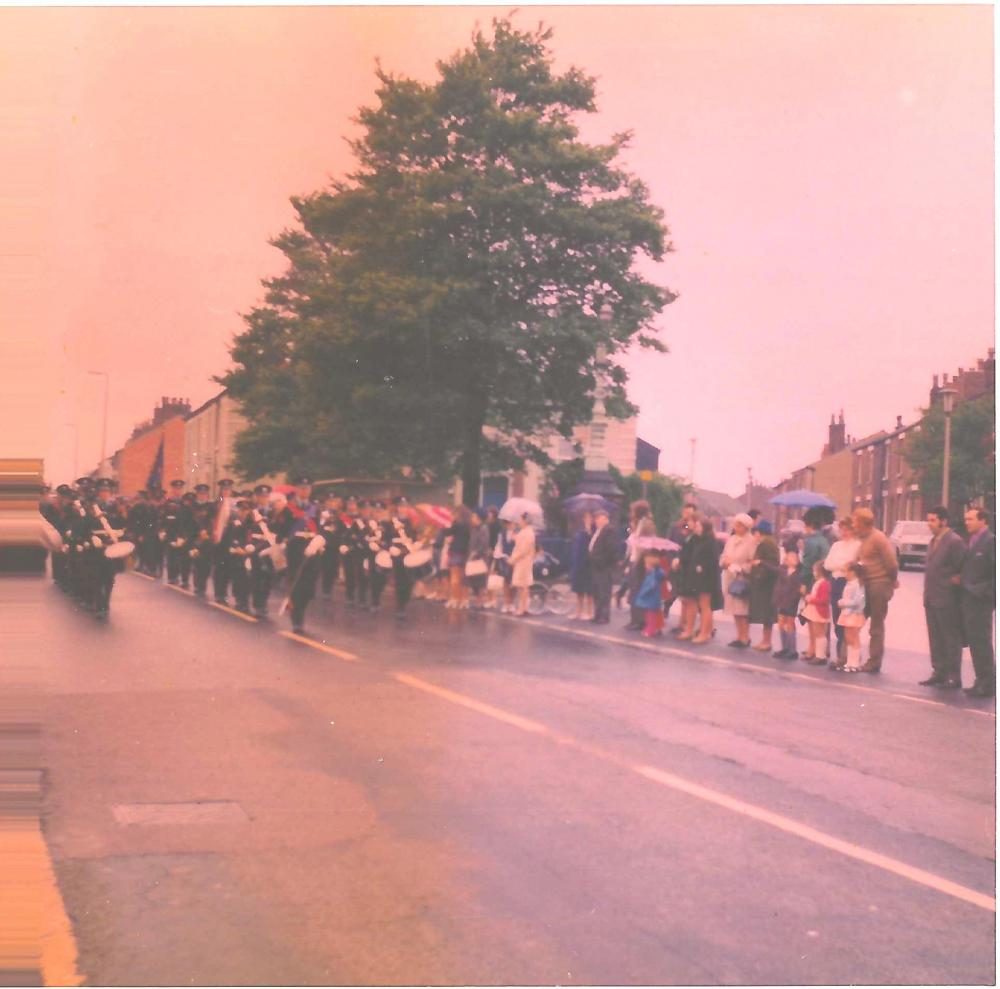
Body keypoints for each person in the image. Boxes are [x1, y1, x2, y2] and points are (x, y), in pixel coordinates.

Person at [919, 506, 967, 689]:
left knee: (950, 638)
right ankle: (939, 672)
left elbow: (962, 568)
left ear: (944, 521)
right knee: (935, 637)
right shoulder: (933, 541)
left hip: (947, 599)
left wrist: (953, 582)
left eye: (932, 520)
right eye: (928, 520)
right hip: (931, 598)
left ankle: (954, 676)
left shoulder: (955, 541)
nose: (929, 524)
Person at [851, 508, 898, 674]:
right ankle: (850, 657)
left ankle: (874, 661)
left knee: (876, 626)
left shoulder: (878, 538)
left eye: (855, 522)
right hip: (864, 584)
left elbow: (891, 564)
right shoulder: (860, 539)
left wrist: (891, 581)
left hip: (879, 585)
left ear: (864, 523)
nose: (853, 526)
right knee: (854, 621)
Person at [960, 508, 995, 697]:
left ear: (983, 520)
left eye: (971, 519)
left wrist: (983, 592)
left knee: (981, 641)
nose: (967, 522)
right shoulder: (972, 540)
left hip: (981, 601)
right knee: (974, 642)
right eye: (966, 519)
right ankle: (980, 680)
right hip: (969, 601)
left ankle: (988, 683)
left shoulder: (990, 541)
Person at [679, 516, 722, 644]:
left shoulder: (710, 542)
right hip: (698, 577)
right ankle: (697, 631)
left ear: (705, 528)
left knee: (705, 605)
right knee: (700, 604)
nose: (696, 528)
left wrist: (701, 567)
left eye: (698, 526)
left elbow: (713, 560)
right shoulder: (698, 540)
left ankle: (705, 633)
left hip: (707, 578)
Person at [823, 517, 861, 664]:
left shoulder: (857, 545)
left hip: (848, 582)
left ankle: (848, 656)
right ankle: (841, 654)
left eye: (848, 529)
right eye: (842, 529)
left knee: (848, 620)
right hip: (836, 582)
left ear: (853, 530)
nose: (844, 532)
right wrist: (842, 565)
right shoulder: (836, 546)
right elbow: (827, 564)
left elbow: (853, 565)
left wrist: (840, 565)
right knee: (837, 619)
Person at [720, 513, 755, 648]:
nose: (736, 527)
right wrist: (725, 562)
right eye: (735, 524)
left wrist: (741, 568)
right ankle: (739, 636)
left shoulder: (750, 541)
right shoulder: (731, 539)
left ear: (745, 527)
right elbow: (723, 556)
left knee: (742, 610)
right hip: (730, 577)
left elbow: (752, 561)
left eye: (739, 525)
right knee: (734, 609)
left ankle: (745, 637)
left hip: (742, 579)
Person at [747, 520, 780, 652]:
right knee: (767, 614)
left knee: (767, 614)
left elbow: (771, 563)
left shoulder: (766, 544)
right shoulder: (770, 542)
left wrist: (758, 565)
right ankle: (765, 640)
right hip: (768, 582)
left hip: (766, 583)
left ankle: (766, 641)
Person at [624, 501, 657, 630]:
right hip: (634, 559)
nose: (631, 513)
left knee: (638, 591)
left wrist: (647, 560)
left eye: (633, 511)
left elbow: (650, 543)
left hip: (641, 561)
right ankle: (634, 619)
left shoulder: (647, 524)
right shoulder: (638, 524)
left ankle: (639, 621)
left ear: (638, 511)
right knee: (633, 590)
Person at [588, 508, 618, 624]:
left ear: (605, 518)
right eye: (595, 518)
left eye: (598, 518)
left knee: (604, 591)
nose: (596, 520)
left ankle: (604, 616)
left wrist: (600, 560)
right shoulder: (598, 530)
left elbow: (610, 549)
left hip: (603, 566)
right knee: (597, 591)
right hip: (596, 566)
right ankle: (598, 614)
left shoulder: (609, 530)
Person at [835, 562, 867, 671]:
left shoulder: (857, 584)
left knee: (854, 638)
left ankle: (855, 663)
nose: (845, 574)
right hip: (847, 614)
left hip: (854, 614)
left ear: (853, 572)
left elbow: (858, 601)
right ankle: (849, 662)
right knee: (848, 637)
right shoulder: (850, 583)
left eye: (846, 571)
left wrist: (843, 602)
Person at [772, 547, 803, 659]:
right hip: (782, 600)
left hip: (791, 602)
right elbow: (772, 568)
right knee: (781, 623)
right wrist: (761, 563)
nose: (790, 559)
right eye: (788, 557)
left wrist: (794, 598)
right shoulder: (783, 570)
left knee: (790, 623)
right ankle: (784, 647)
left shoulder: (798, 574)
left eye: (793, 558)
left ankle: (792, 649)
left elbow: (797, 590)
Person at [800, 562, 832, 664]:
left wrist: (811, 599)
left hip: (819, 611)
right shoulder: (819, 582)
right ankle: (819, 655)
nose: (813, 572)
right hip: (815, 610)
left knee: (820, 634)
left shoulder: (824, 584)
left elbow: (824, 600)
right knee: (818, 633)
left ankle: (821, 656)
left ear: (820, 572)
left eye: (815, 570)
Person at [634, 549, 667, 637]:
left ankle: (650, 629)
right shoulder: (651, 573)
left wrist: (643, 593)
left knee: (651, 614)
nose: (645, 566)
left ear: (651, 565)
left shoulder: (654, 573)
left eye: (647, 564)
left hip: (651, 597)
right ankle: (657, 627)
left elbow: (650, 585)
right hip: (651, 597)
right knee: (652, 613)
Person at [444, 506, 472, 609]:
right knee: (464, 578)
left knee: (454, 577)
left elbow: (447, 532)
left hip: (455, 552)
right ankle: (464, 599)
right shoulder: (469, 525)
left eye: (454, 514)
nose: (452, 516)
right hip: (465, 553)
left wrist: (445, 526)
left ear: (458, 514)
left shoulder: (456, 524)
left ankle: (455, 598)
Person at [569, 511, 595, 621]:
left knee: (589, 591)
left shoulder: (594, 532)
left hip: (589, 564)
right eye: (585, 518)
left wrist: (590, 531)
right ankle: (578, 611)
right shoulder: (580, 532)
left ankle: (589, 612)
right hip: (579, 563)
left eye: (589, 518)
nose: (587, 520)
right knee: (579, 590)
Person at [509, 514, 537, 617]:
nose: (519, 522)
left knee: (523, 585)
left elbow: (523, 550)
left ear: (525, 521)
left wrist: (513, 558)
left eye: (520, 519)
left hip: (523, 561)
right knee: (522, 585)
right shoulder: (525, 532)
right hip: (522, 561)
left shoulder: (528, 533)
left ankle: (523, 608)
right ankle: (524, 606)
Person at [493, 520, 517, 614]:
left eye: (512, 523)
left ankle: (512, 603)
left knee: (514, 582)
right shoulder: (502, 533)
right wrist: (500, 555)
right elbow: (499, 545)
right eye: (508, 523)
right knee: (506, 581)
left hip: (515, 559)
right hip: (505, 559)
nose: (510, 525)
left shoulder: (518, 532)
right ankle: (506, 602)